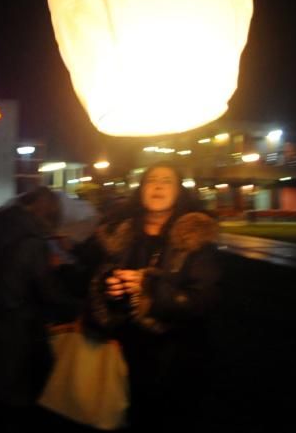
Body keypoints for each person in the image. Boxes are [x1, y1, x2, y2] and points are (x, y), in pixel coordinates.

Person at [87, 162, 220, 432]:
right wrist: (108, 288)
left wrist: (150, 290)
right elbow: (94, 277)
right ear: (141, 190)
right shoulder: (121, 234)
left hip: (173, 356)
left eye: (167, 181)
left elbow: (202, 300)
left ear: (179, 192)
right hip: (122, 350)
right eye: (151, 180)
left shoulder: (195, 240)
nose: (158, 186)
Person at [0, 186, 80, 432]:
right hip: (14, 337)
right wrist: (82, 307)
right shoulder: (32, 242)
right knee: (13, 406)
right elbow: (49, 293)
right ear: (49, 212)